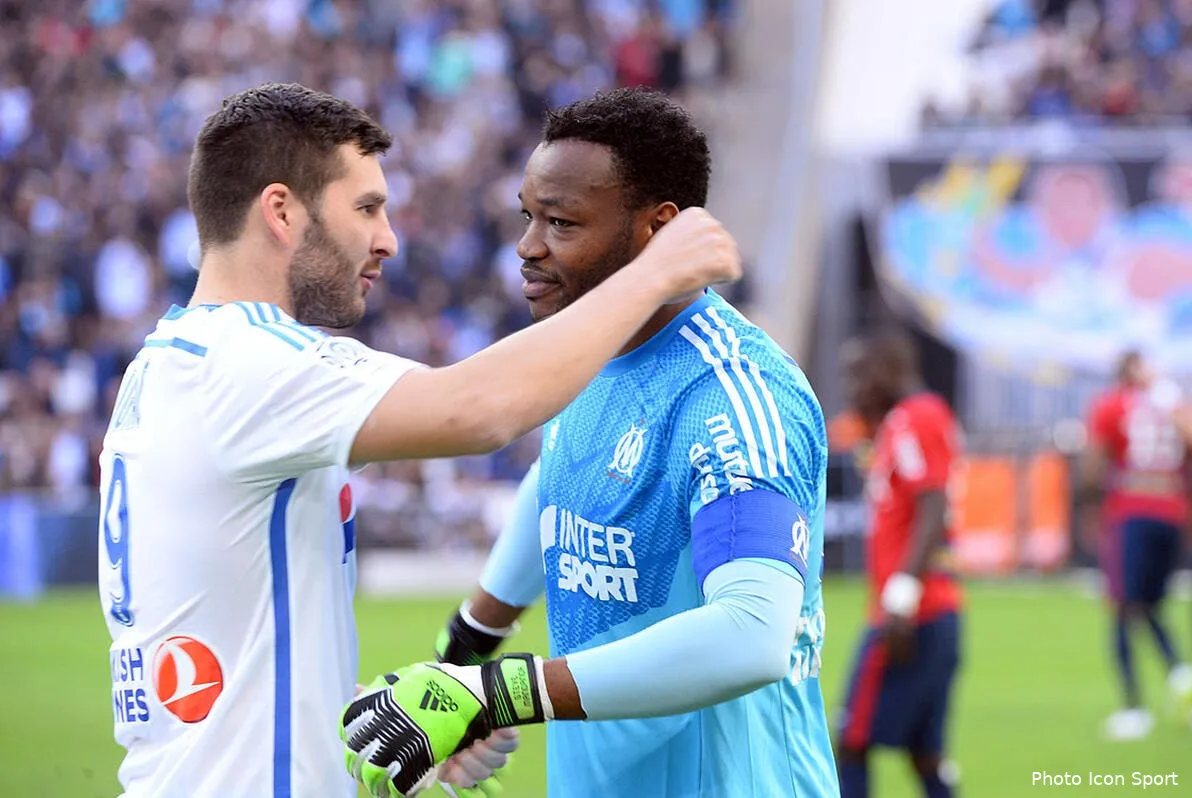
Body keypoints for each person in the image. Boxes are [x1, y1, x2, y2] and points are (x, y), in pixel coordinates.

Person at [96, 82, 741, 798]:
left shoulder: (166, 363)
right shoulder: (247, 364)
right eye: (366, 207)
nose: (388, 238)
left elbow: (241, 639)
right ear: (281, 211)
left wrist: (403, 722)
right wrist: (654, 273)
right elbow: (481, 410)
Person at [339, 87, 839, 798]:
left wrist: (500, 691)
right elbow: (561, 480)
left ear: (657, 231)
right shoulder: (585, 352)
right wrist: (465, 652)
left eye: (562, 223)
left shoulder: (736, 395)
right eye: (528, 215)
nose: (527, 246)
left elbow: (752, 633)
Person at [834, 333, 963, 798]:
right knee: (924, 753)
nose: (855, 389)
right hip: (931, 610)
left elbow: (933, 505)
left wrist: (902, 594)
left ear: (888, 370)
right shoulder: (903, 420)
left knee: (850, 741)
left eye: (860, 376)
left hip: (910, 612)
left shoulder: (916, 417)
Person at [1083, 350, 1192, 740]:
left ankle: (1133, 709)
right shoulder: (1171, 403)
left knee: (1121, 606)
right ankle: (1181, 676)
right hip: (1172, 512)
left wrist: (1089, 507)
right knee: (1149, 606)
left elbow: (1093, 465)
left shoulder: (1113, 405)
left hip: (1131, 511)